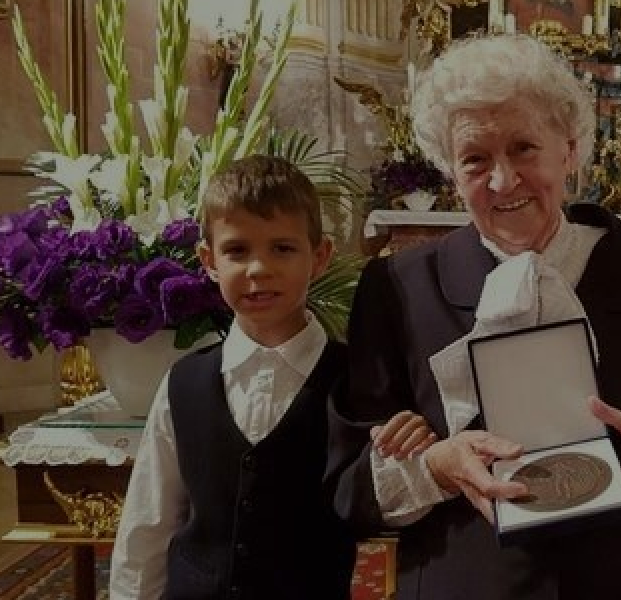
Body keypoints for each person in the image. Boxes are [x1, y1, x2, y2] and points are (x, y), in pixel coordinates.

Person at [326, 34, 621, 600]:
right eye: (475, 159)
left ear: (569, 150)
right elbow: (350, 488)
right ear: (450, 172)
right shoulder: (398, 291)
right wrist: (437, 467)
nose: (502, 181)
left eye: (524, 148)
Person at [108, 155, 435, 599]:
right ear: (208, 260)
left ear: (319, 257)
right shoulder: (183, 384)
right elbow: (148, 524)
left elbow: (386, 504)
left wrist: (411, 450)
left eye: (282, 248)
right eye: (237, 250)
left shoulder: (357, 381)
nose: (259, 269)